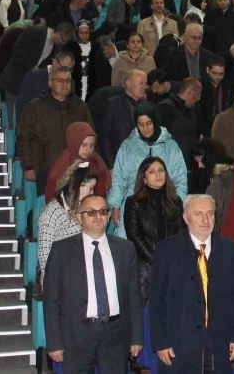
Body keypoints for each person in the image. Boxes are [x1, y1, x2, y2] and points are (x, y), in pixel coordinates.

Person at [43, 194, 143, 372]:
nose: (98, 217)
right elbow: (51, 299)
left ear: (109, 216)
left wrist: (136, 337)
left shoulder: (125, 249)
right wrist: (54, 341)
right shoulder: (62, 250)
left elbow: (134, 296)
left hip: (116, 333)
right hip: (76, 334)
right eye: (91, 212)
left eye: (103, 211)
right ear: (79, 217)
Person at [149, 193, 234, 373]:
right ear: (186, 218)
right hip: (179, 344)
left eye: (210, 213)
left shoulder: (229, 248)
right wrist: (160, 342)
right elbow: (157, 299)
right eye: (198, 214)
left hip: (219, 342)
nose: (205, 220)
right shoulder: (167, 250)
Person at [109, 102, 188, 238]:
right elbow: (119, 178)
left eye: (149, 123)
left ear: (155, 121)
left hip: (165, 205)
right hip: (132, 203)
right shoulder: (128, 146)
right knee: (127, 242)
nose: (145, 129)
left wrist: (179, 205)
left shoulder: (170, 146)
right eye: (141, 125)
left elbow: (180, 178)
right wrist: (115, 206)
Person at [18, 66, 94, 192]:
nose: (64, 84)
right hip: (44, 170)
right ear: (50, 83)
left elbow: (91, 137)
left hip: (74, 169)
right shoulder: (35, 107)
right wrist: (29, 166)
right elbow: (24, 138)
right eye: (60, 80)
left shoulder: (81, 107)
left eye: (68, 81)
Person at [123, 157, 184, 302]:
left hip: (172, 263)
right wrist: (156, 260)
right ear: (144, 178)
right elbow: (134, 236)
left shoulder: (175, 201)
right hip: (146, 265)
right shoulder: (134, 202)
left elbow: (182, 232)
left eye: (161, 170)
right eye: (152, 172)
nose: (158, 174)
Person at [38, 162, 99, 280]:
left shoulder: (84, 208)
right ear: (79, 185)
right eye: (90, 189)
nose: (92, 193)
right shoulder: (52, 213)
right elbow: (45, 256)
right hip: (59, 275)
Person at [45, 121, 110, 202]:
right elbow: (51, 195)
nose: (88, 149)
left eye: (91, 145)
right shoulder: (60, 166)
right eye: (84, 145)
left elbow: (101, 195)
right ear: (74, 142)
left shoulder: (97, 164)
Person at [99, 69, 148, 166]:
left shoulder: (147, 106)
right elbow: (104, 137)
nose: (144, 87)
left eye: (145, 84)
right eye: (141, 83)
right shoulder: (113, 105)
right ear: (128, 84)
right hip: (120, 161)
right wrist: (110, 165)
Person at [158, 77, 202, 162]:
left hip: (189, 161)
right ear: (190, 92)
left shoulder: (191, 110)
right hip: (172, 161)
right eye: (198, 94)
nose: (199, 98)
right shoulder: (165, 108)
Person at [198, 55, 233, 136]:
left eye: (221, 74)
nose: (218, 77)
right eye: (215, 73)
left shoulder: (228, 87)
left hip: (223, 128)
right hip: (205, 130)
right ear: (208, 70)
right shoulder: (200, 86)